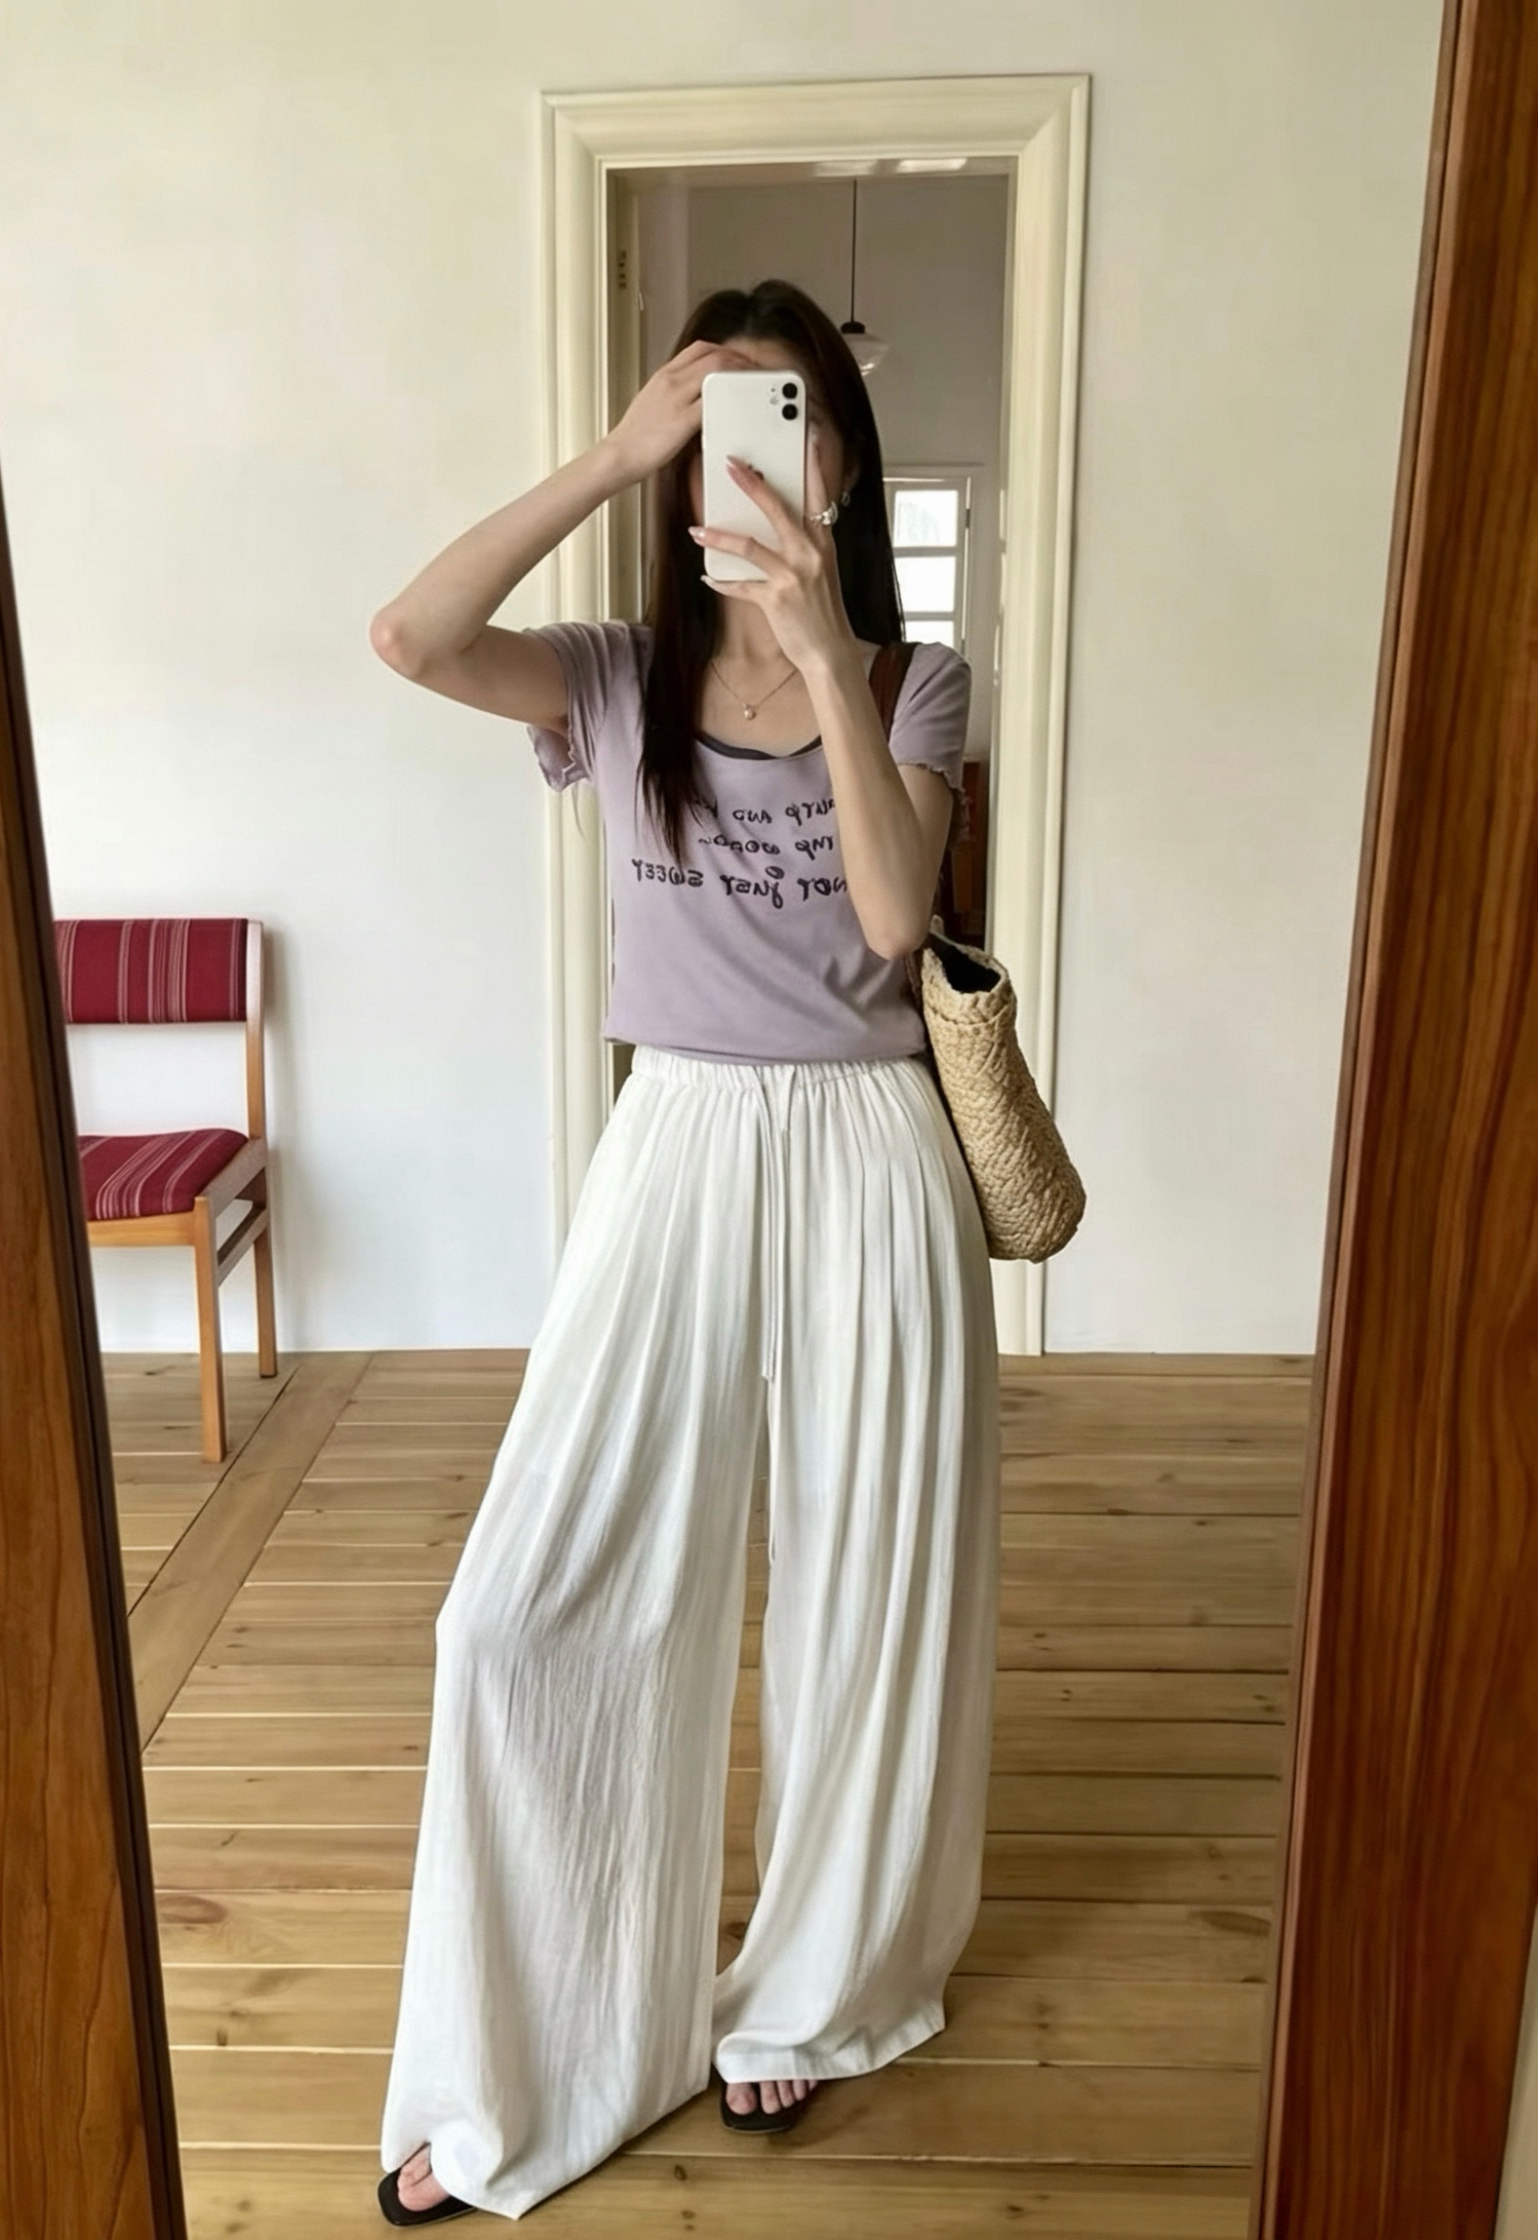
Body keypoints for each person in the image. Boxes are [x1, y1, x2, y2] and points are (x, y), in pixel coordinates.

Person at [367, 278, 1000, 2224]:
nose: (756, 456)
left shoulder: (915, 679)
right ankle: (540, 2043)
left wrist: (818, 649)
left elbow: (891, 922)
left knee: (863, 1600)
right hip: (676, 1143)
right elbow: (410, 637)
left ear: (843, 461)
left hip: (873, 1151)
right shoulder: (613, 677)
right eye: (721, 424)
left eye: (789, 417)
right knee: (527, 1603)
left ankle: (811, 1988)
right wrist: (613, 452)